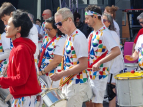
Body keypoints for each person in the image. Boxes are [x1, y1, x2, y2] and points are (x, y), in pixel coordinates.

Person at [0, 9, 41, 107]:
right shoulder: (18, 47)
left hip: (25, 98)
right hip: (21, 97)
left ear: (18, 29)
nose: (6, 27)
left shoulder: (21, 49)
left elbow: (21, 79)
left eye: (8, 24)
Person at [50, 8, 89, 107]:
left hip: (77, 83)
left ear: (69, 20)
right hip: (70, 83)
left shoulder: (78, 37)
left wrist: (62, 74)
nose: (58, 27)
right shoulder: (69, 36)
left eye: (60, 23)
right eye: (56, 24)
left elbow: (84, 64)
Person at [84, 5, 121, 107]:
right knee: (89, 102)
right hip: (91, 73)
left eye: (87, 18)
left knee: (97, 103)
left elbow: (116, 51)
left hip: (100, 74)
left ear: (95, 17)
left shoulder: (105, 33)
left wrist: (99, 62)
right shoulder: (92, 34)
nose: (85, 21)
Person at [102, 13, 124, 107]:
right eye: (101, 20)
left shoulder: (112, 34)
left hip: (112, 68)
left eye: (104, 20)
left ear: (109, 23)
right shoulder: (103, 33)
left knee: (111, 92)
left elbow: (115, 52)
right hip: (106, 68)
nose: (102, 23)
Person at [38, 17, 66, 88]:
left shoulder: (61, 40)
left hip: (54, 75)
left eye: (49, 29)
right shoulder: (46, 38)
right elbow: (42, 54)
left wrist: (42, 72)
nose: (46, 31)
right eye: (45, 28)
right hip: (43, 73)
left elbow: (56, 61)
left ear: (56, 29)